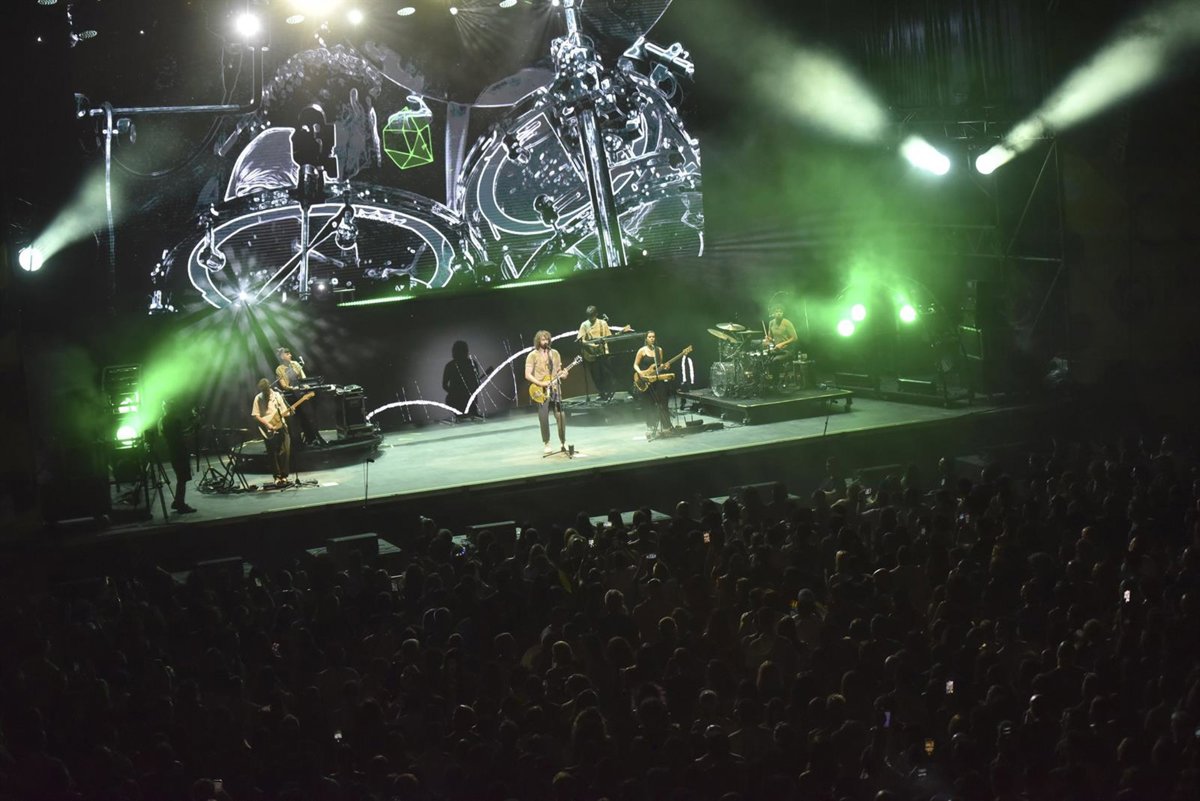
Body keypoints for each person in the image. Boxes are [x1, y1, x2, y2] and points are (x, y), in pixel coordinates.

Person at [524, 330, 569, 455]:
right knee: (543, 417)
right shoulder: (532, 355)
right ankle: (547, 443)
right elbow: (527, 374)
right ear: (538, 341)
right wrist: (540, 383)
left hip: (555, 388)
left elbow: (558, 371)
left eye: (547, 339)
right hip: (541, 390)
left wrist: (563, 374)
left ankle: (563, 442)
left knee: (561, 415)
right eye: (543, 339)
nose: (545, 341)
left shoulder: (555, 353)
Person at [577, 305, 632, 401]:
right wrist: (592, 345)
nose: (591, 318)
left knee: (606, 374)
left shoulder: (602, 323)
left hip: (603, 353)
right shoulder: (584, 325)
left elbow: (609, 337)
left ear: (596, 314)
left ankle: (608, 392)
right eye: (589, 316)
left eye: (592, 316)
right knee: (596, 375)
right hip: (591, 355)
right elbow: (581, 340)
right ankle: (601, 393)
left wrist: (622, 331)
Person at [276, 347, 326, 447]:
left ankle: (313, 438)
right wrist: (291, 388)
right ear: (282, 356)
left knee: (308, 416)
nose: (290, 355)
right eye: (287, 354)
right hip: (291, 396)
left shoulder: (295, 364)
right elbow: (283, 385)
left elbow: (303, 378)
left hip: (301, 393)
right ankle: (298, 443)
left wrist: (305, 385)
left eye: (290, 353)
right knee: (296, 420)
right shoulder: (279, 369)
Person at [158, 398, 196, 514]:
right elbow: (179, 438)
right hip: (179, 452)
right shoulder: (173, 420)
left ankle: (178, 502)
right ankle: (180, 504)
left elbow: (177, 435)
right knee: (182, 479)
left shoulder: (163, 420)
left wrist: (189, 430)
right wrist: (192, 433)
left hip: (173, 452)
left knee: (181, 478)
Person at [252, 378, 292, 486]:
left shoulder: (277, 395)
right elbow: (255, 415)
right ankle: (277, 477)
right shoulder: (258, 398)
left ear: (269, 387)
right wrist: (267, 424)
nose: (265, 392)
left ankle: (284, 476)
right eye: (263, 391)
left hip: (281, 426)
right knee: (272, 453)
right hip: (268, 428)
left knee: (285, 450)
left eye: (266, 390)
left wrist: (288, 412)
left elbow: (284, 410)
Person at [633, 330, 673, 438]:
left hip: (657, 380)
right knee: (649, 404)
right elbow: (635, 365)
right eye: (650, 337)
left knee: (663, 402)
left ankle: (666, 426)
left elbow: (659, 366)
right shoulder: (642, 350)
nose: (652, 339)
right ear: (646, 339)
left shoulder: (659, 350)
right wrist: (640, 372)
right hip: (646, 380)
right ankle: (650, 426)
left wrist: (665, 367)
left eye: (653, 337)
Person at [442, 340, 484, 419]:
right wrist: (455, 394)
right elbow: (444, 385)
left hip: (469, 399)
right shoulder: (450, 366)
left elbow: (476, 383)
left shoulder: (471, 364)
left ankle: (471, 414)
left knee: (470, 412)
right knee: (464, 414)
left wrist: (470, 390)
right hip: (455, 400)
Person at [762, 305, 798, 388]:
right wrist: (768, 339)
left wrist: (782, 343)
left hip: (788, 350)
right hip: (777, 349)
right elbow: (770, 337)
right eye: (777, 312)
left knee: (775, 360)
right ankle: (765, 382)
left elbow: (795, 337)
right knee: (764, 358)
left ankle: (776, 382)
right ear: (773, 313)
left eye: (780, 312)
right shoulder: (771, 323)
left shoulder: (787, 323)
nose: (779, 313)